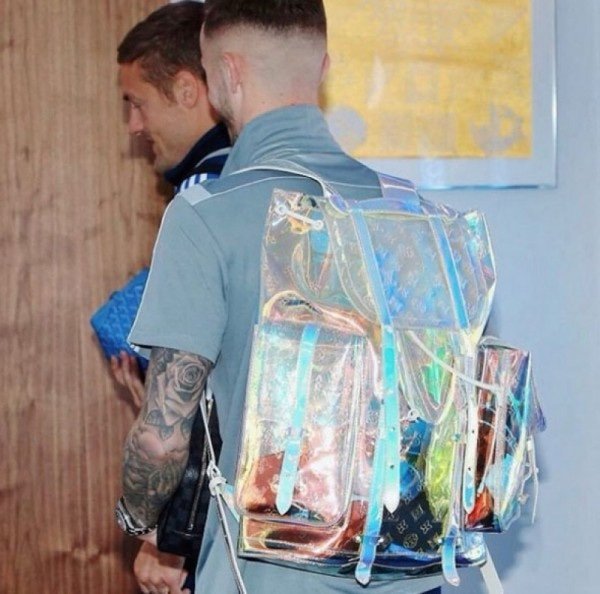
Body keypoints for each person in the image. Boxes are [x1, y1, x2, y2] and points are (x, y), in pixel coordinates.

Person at [122, 0, 442, 592]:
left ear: (226, 75)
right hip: (412, 574)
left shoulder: (205, 215)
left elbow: (161, 439)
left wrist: (138, 520)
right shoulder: (415, 213)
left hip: (269, 575)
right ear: (323, 68)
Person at [113, 3, 230, 593]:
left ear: (188, 90)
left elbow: (183, 420)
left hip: (216, 530)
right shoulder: (253, 180)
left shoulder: (203, 197)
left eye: (138, 103)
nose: (133, 126)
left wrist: (159, 533)